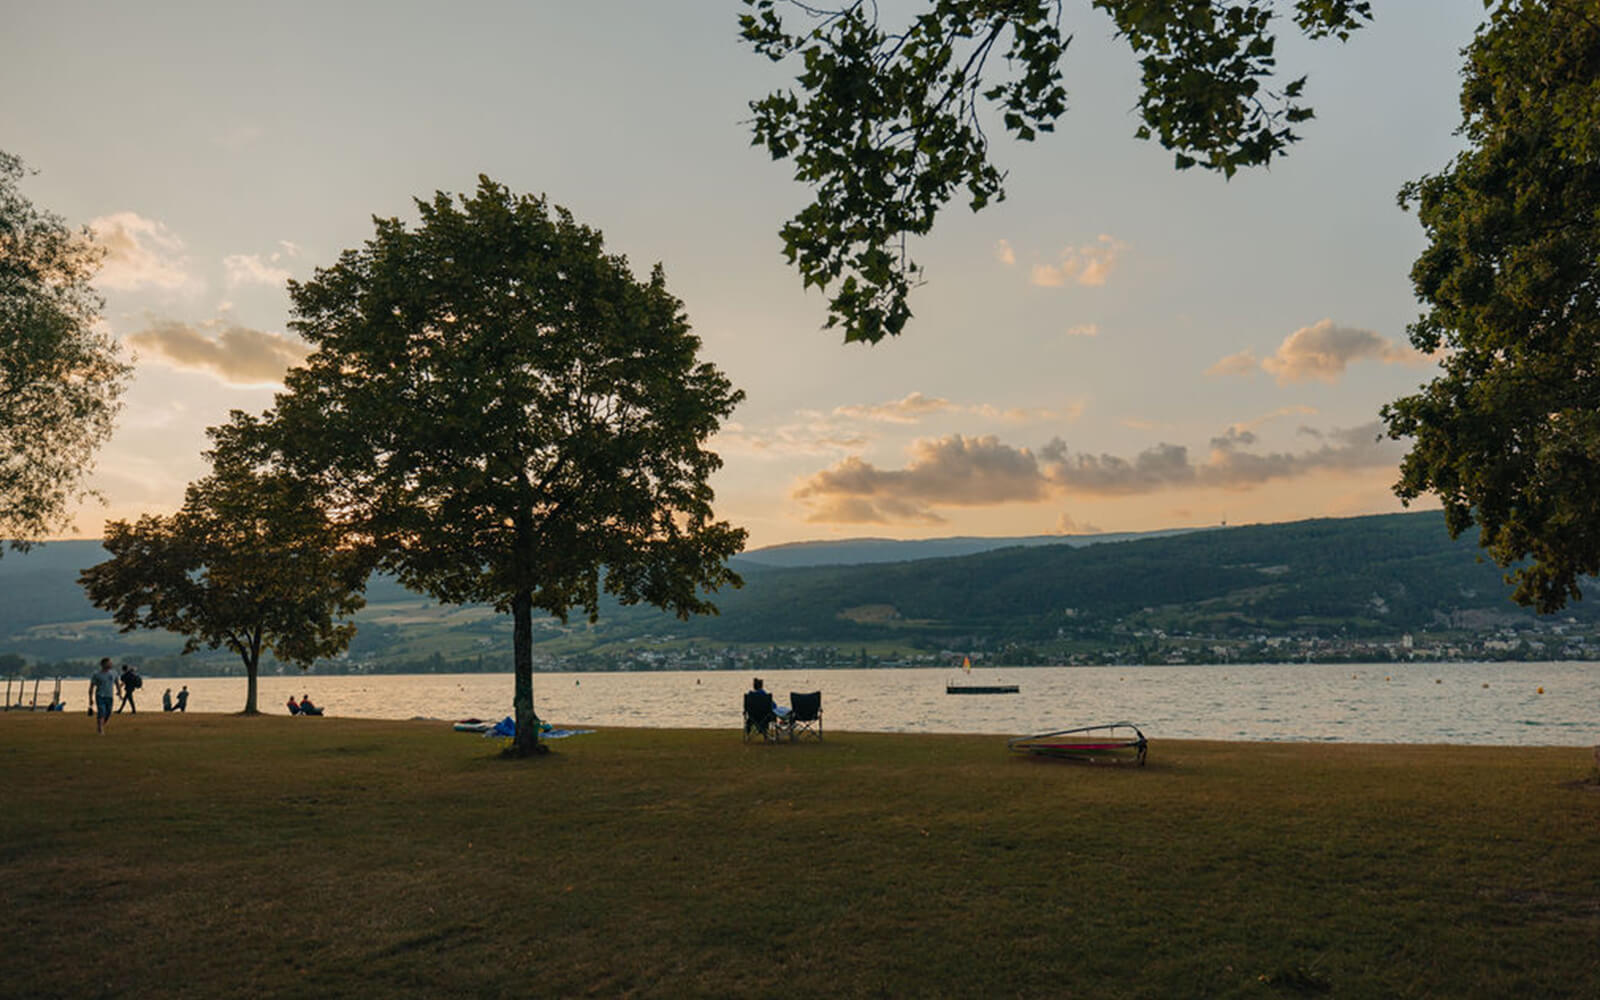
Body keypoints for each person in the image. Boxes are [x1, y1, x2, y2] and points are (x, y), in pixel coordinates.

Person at [89, 658, 117, 734]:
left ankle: (100, 725)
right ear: (103, 664)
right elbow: (91, 687)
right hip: (100, 696)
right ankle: (101, 729)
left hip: (109, 696)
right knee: (102, 711)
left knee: (108, 712)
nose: (111, 664)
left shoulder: (113, 673)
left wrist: (119, 692)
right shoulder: (96, 674)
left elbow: (116, 682)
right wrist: (90, 698)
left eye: (110, 663)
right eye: (109, 663)